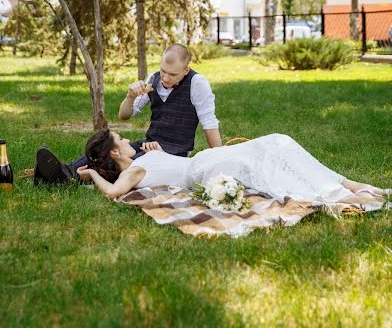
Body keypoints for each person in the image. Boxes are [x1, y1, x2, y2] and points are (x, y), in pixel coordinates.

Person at [34, 44, 221, 184]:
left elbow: (209, 125)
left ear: (185, 70)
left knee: (125, 166)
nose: (165, 78)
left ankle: (75, 179)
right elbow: (124, 115)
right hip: (148, 143)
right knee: (109, 147)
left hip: (175, 153)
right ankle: (65, 171)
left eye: (172, 75)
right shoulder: (153, 80)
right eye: (163, 71)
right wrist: (130, 96)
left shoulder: (197, 84)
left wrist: (218, 164)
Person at [77, 129, 389, 207]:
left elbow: (167, 168)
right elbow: (114, 192)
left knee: (279, 144)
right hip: (209, 167)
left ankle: (347, 185)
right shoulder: (132, 172)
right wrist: (91, 174)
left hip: (207, 160)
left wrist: (158, 154)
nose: (128, 137)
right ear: (115, 152)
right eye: (121, 138)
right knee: (272, 165)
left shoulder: (141, 162)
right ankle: (342, 193)